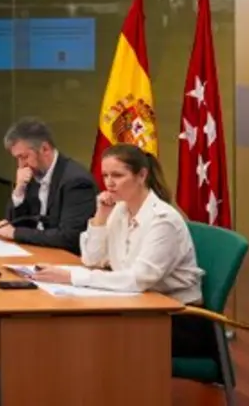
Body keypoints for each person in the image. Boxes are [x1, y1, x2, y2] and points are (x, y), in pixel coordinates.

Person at [31, 144, 208, 357]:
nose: (109, 183)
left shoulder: (163, 220)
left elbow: (138, 280)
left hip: (174, 318)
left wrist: (72, 276)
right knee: (64, 325)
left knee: (81, 334)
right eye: (105, 175)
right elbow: (92, 259)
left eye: (117, 175)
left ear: (142, 175)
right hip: (135, 306)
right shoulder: (120, 210)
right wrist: (101, 216)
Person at [0, 118, 96, 254]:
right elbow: (12, 223)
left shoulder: (77, 182)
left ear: (45, 149)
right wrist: (19, 190)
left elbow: (70, 237)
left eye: (24, 157)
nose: (21, 165)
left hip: (65, 259)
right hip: (36, 251)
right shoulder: (31, 173)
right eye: (17, 158)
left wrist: (16, 233)